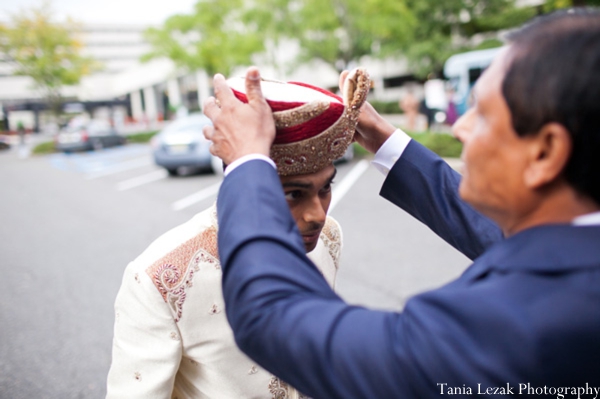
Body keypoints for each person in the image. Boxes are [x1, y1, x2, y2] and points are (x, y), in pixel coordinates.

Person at [202, 9, 600, 398]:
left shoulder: (521, 326)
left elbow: (273, 316)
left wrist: (248, 162)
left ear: (546, 152)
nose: (459, 128)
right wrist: (383, 140)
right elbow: (492, 234)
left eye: (482, 115)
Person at [105, 72, 370, 398]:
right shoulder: (159, 277)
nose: (318, 214)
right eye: (293, 194)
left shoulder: (328, 236)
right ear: (247, 181)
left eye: (326, 187)